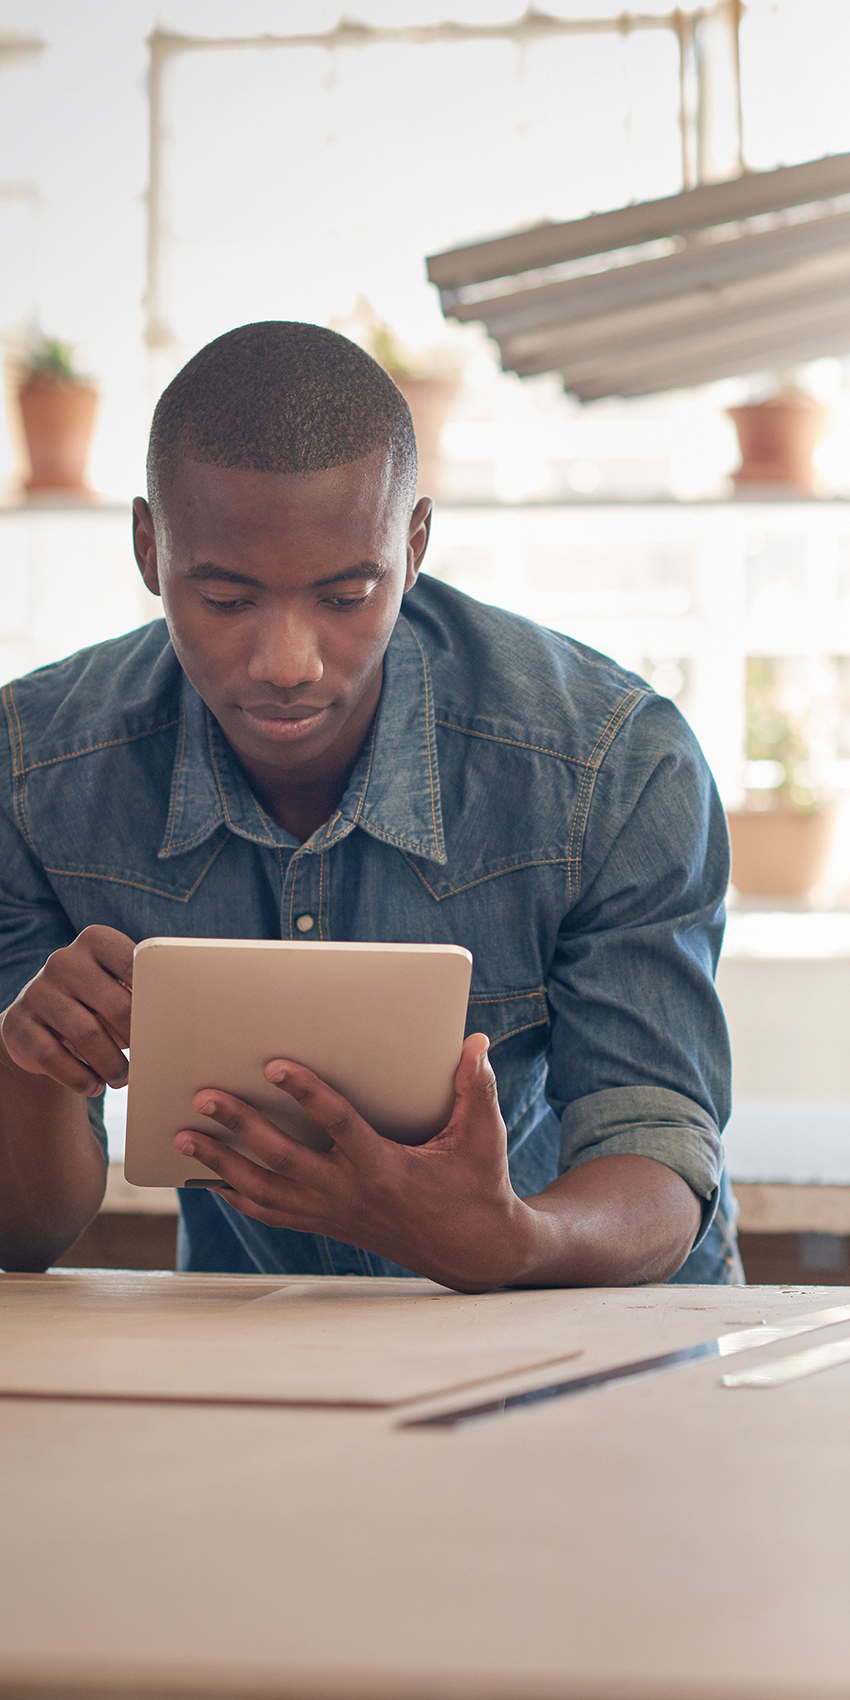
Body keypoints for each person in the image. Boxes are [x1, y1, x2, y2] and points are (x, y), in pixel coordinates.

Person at [0, 321, 740, 1287]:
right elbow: (25, 1235)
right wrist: (31, 1065)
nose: (286, 664)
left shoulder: (610, 763)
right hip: (272, 1353)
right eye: (226, 601)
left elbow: (661, 1149)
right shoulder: (37, 772)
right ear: (150, 548)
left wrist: (515, 1242)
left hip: (596, 1342)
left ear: (415, 544)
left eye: (347, 598)